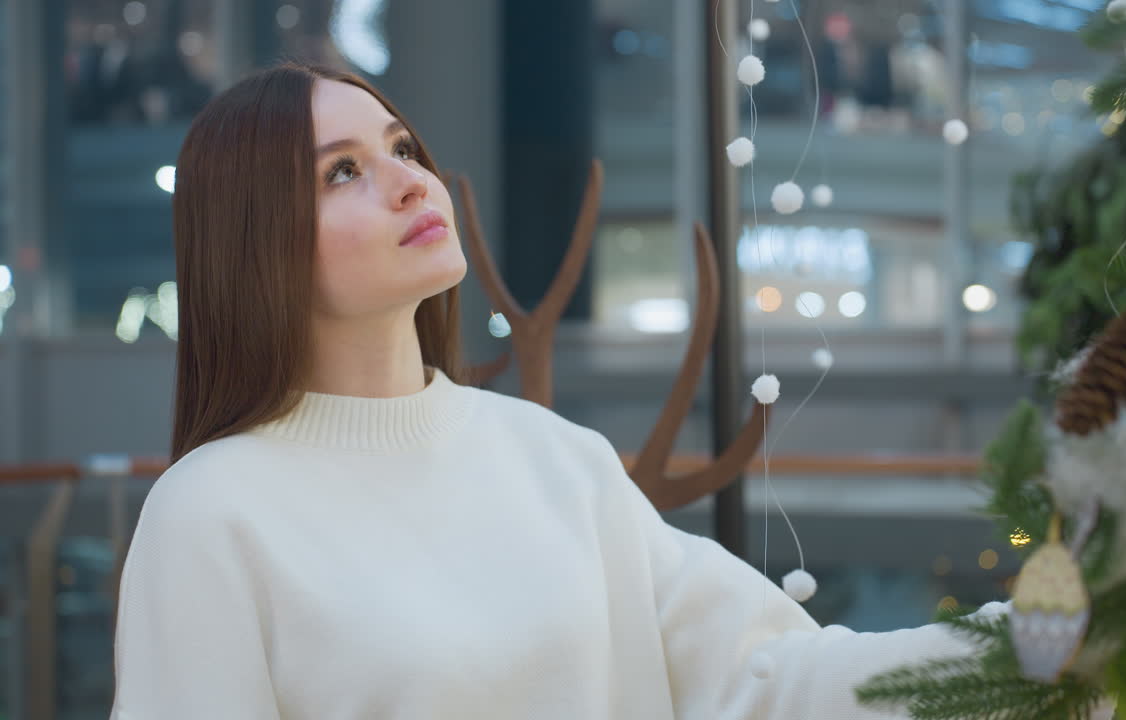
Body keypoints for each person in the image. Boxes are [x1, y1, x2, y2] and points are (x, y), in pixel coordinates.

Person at [109, 62, 1004, 720]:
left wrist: (1044, 641)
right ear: (255, 241)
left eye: (402, 146)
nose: (410, 181)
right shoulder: (212, 513)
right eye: (343, 170)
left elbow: (769, 681)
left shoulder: (554, 457)